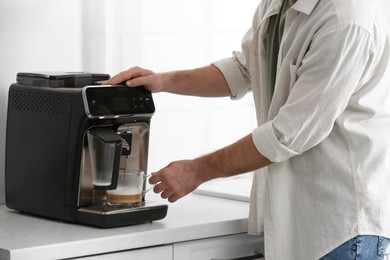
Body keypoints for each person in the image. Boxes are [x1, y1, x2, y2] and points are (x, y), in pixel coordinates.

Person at [106, 0, 390, 259]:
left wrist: (195, 171)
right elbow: (245, 68)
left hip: (344, 230)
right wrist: (163, 81)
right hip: (301, 219)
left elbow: (288, 133)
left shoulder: (347, 19)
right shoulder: (279, 3)